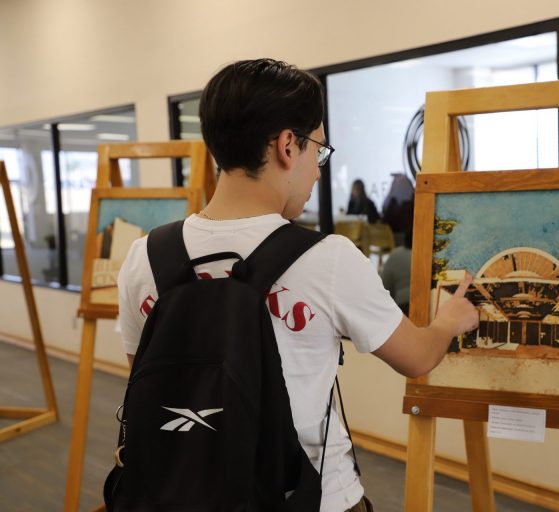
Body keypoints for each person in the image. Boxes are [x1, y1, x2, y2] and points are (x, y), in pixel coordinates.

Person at [117, 59, 478, 512]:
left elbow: (149, 379)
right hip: (309, 497)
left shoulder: (144, 256)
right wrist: (449, 321)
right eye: (319, 151)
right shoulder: (328, 259)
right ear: (288, 145)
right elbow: (418, 357)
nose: (319, 171)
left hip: (180, 492)